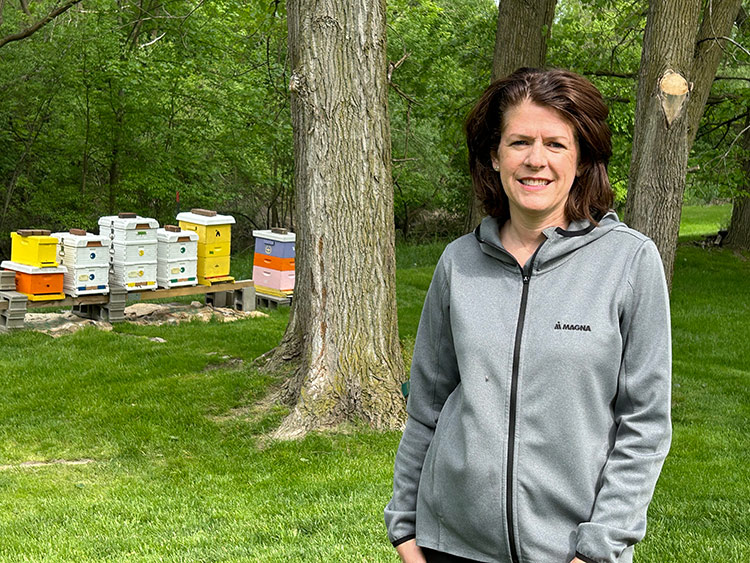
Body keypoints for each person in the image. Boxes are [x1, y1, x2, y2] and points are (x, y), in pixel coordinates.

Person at [384, 68, 672, 563]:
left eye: (556, 144)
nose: (535, 160)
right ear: (495, 157)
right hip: (450, 545)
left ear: (581, 160)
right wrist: (405, 528)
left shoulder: (629, 262)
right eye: (519, 142)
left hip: (574, 553)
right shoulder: (458, 262)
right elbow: (427, 406)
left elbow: (644, 424)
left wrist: (599, 547)